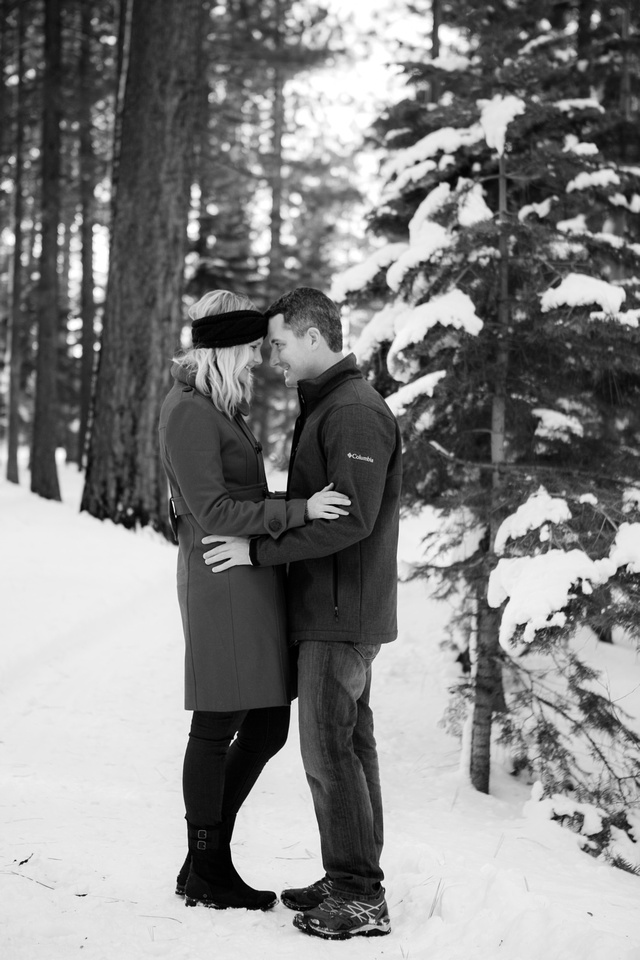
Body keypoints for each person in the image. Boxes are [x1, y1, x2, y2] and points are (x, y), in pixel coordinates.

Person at [202, 287, 402, 939]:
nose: (275, 357)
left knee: (328, 751)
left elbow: (354, 518)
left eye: (281, 344)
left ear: (314, 338)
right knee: (348, 747)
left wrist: (258, 549)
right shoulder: (326, 403)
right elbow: (321, 500)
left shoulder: (354, 411)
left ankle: (359, 894)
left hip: (341, 612)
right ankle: (353, 875)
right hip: (331, 605)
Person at [158, 290, 350, 912]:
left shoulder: (220, 407)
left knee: (266, 722)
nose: (260, 361)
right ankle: (208, 865)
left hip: (247, 576)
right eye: (252, 349)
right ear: (225, 350)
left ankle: (204, 859)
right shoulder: (188, 409)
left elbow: (218, 493)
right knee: (217, 721)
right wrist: (297, 510)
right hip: (223, 579)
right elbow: (213, 509)